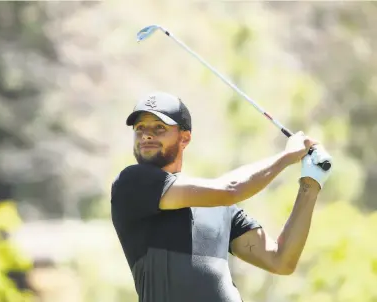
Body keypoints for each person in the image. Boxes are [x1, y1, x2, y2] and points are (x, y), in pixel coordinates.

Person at [110, 91, 333, 302]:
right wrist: (287, 156)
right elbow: (230, 189)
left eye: (159, 127)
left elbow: (280, 260)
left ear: (185, 138)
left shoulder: (217, 205)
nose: (146, 134)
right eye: (140, 128)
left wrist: (311, 183)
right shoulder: (131, 183)